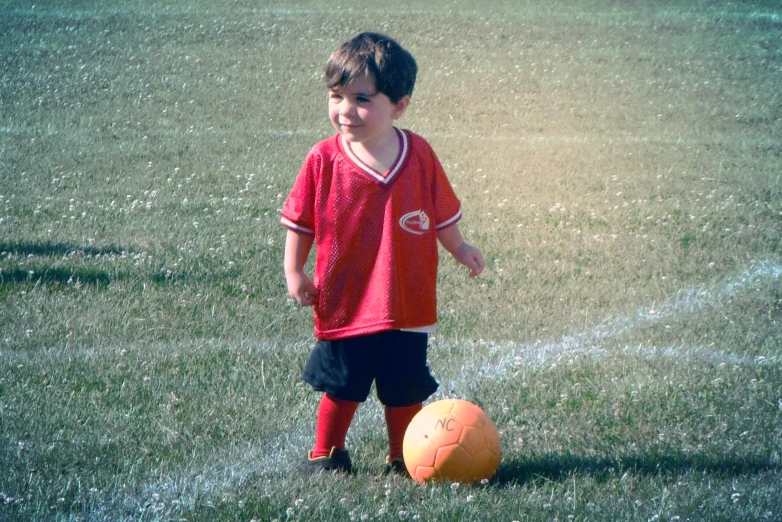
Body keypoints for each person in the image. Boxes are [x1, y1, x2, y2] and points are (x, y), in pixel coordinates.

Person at [281, 32, 485, 475]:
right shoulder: (323, 159)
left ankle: (405, 456)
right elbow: (301, 221)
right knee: (343, 386)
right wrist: (294, 271)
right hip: (347, 300)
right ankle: (327, 452)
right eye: (336, 97)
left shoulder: (420, 155)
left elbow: (441, 213)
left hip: (406, 301)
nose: (344, 111)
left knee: (404, 388)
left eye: (360, 99)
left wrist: (460, 248)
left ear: (399, 105)